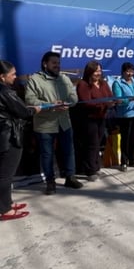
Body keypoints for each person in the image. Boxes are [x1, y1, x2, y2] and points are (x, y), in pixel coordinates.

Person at [25, 51, 83, 195]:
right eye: (54, 63)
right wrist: (51, 104)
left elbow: (74, 97)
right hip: (45, 124)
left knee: (69, 151)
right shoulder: (35, 79)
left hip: (64, 122)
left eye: (58, 63)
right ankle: (50, 182)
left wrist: (68, 103)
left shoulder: (65, 78)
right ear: (45, 64)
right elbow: (30, 100)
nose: (57, 66)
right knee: (47, 154)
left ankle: (70, 177)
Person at [0, 60, 41, 221]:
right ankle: (4, 210)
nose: (15, 77)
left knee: (4, 173)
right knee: (5, 175)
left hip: (4, 134)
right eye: (13, 74)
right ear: (2, 77)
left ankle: (6, 203)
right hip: (8, 136)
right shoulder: (6, 92)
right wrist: (35, 109)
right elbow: (23, 111)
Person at [76, 61, 115, 180]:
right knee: (91, 144)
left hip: (101, 117)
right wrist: (104, 104)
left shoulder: (103, 83)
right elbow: (86, 102)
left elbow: (110, 95)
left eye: (100, 71)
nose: (98, 73)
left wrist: (113, 102)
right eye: (96, 71)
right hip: (89, 119)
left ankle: (96, 167)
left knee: (98, 143)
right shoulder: (83, 84)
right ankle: (90, 170)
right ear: (89, 71)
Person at [112, 62, 134, 171]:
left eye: (132, 71)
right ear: (122, 72)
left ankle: (132, 160)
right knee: (125, 139)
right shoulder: (117, 83)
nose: (130, 74)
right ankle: (123, 162)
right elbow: (118, 100)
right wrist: (131, 99)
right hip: (125, 115)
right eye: (127, 71)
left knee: (133, 138)